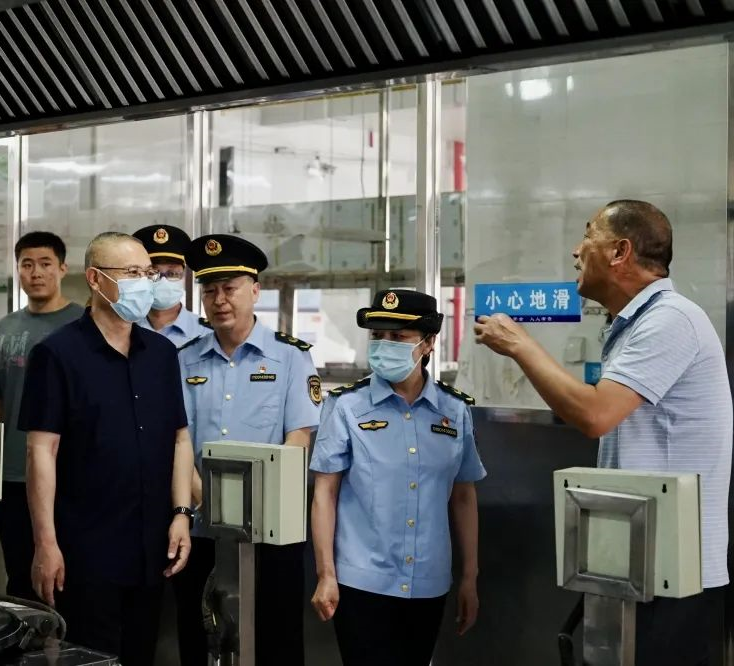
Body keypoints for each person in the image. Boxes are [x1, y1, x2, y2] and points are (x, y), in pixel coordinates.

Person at [474, 199, 732, 666]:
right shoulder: (634, 323)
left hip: (673, 571)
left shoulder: (670, 320)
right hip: (636, 559)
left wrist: (520, 345)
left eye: (588, 235)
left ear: (620, 252)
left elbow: (595, 414)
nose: (576, 251)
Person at [19, 231, 194, 665]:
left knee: (141, 652)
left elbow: (179, 439)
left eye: (148, 274)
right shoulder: (56, 354)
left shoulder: (161, 354)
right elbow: (41, 452)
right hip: (86, 548)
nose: (145, 283)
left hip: (152, 546)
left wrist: (181, 513)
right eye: (132, 273)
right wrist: (45, 543)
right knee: (89, 656)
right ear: (96, 279)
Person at [310, 289, 485, 666]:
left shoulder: (454, 411)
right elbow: (325, 493)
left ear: (428, 343)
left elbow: (464, 496)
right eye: (378, 336)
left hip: (429, 583)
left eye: (398, 336)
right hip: (360, 582)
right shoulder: (346, 406)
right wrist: (326, 574)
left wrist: (469, 578)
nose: (384, 345)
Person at [176, 234, 321, 666]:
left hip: (270, 532)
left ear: (255, 290)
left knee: (275, 640)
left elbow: (299, 440)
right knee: (200, 636)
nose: (219, 300)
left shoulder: (290, 358)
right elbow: (177, 440)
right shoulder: (184, 360)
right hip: (202, 527)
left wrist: (255, 509)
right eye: (210, 291)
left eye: (230, 288)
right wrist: (210, 502)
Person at [0, 231, 84, 600]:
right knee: (20, 576)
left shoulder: (84, 325)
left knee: (71, 579)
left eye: (45, 264)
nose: (36, 273)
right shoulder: (4, 329)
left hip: (70, 475)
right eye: (27, 264)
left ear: (63, 268)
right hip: (12, 475)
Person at [132, 224, 212, 347]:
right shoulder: (125, 329)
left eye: (172, 273)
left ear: (184, 276)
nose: (163, 281)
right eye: (153, 273)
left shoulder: (205, 333)